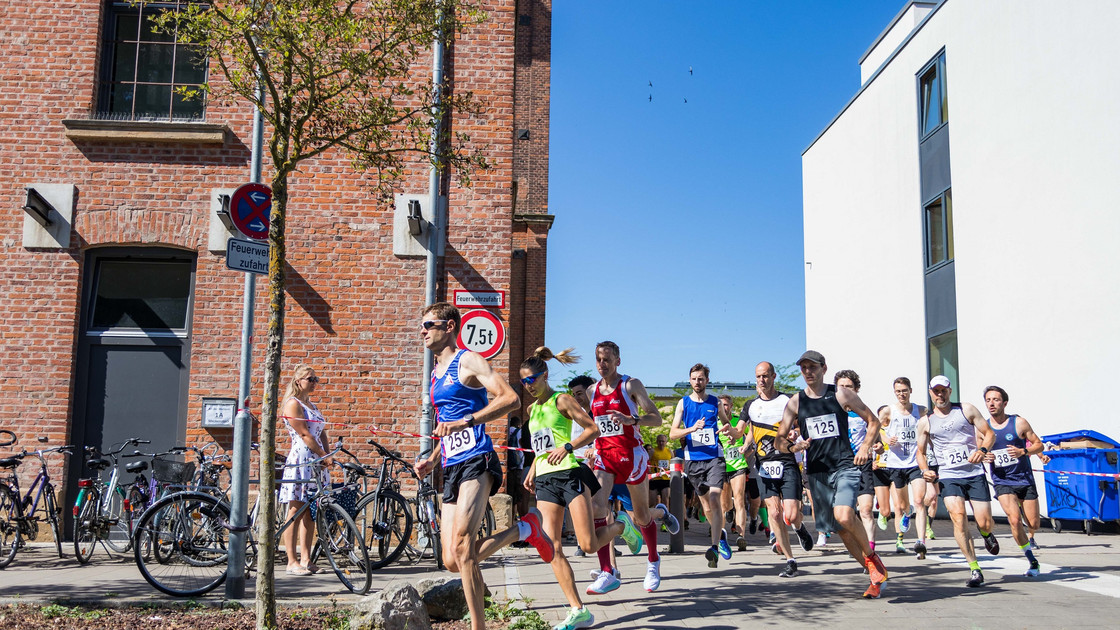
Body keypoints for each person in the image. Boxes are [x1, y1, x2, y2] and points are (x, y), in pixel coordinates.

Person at [414, 303, 552, 630]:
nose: (422, 330)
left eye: (429, 324)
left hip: (478, 457)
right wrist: (432, 458)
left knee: (463, 546)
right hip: (451, 464)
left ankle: (479, 627)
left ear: (449, 326)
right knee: (451, 559)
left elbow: (510, 398)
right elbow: (447, 426)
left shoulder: (468, 360)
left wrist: (467, 421)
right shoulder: (435, 373)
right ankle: (525, 529)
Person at [521, 347, 628, 630]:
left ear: (544, 376)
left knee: (588, 544)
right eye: (523, 383)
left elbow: (593, 428)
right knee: (551, 546)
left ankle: (621, 526)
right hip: (545, 480)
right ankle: (578, 609)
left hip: (569, 474)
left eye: (531, 380)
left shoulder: (562, 400)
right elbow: (540, 447)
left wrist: (567, 446)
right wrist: (532, 469)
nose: (528, 387)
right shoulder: (532, 410)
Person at [778, 351, 888, 599]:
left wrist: (864, 447)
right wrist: (794, 447)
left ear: (824, 368)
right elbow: (779, 440)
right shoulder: (795, 402)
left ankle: (872, 558)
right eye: (804, 367)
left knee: (845, 515)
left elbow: (873, 421)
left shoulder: (840, 394)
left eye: (812, 367)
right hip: (817, 472)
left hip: (845, 465)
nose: (808, 371)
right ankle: (874, 575)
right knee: (840, 529)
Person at [586, 341, 679, 595]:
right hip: (605, 456)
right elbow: (595, 426)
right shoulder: (592, 391)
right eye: (598, 359)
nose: (602, 364)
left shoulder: (630, 385)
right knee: (596, 507)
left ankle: (652, 561)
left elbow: (656, 417)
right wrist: (589, 445)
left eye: (607, 359)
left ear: (618, 360)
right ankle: (608, 571)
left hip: (631, 455)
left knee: (640, 516)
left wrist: (632, 419)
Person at [916, 375, 1000, 589]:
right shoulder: (925, 422)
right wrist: (925, 470)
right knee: (958, 517)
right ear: (930, 393)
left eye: (943, 390)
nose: (939, 394)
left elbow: (989, 434)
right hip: (949, 475)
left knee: (984, 522)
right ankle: (974, 568)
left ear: (950, 391)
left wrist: (982, 450)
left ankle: (986, 533)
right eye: (935, 391)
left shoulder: (966, 409)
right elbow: (920, 452)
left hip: (973, 473)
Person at [743, 361, 813, 578]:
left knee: (791, 515)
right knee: (774, 512)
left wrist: (795, 434)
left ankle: (799, 528)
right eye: (758, 377)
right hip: (764, 465)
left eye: (765, 376)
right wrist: (732, 432)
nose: (762, 380)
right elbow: (741, 431)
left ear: (773, 376)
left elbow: (802, 425)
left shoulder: (787, 400)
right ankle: (790, 560)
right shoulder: (751, 405)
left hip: (787, 461)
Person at [669, 364, 733, 568]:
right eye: (694, 378)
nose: (698, 382)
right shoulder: (683, 403)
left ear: (707, 381)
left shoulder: (715, 402)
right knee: (706, 506)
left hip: (714, 457)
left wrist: (725, 428)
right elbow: (673, 433)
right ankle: (720, 533)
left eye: (701, 378)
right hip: (693, 461)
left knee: (715, 499)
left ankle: (714, 547)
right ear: (690, 381)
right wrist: (692, 428)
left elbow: (726, 422)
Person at [983, 385, 1044, 577]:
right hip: (1003, 480)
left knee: (1033, 524)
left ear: (1005, 403)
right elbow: (979, 450)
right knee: (1014, 520)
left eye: (996, 399)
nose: (991, 403)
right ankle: (1032, 561)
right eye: (988, 400)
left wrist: (1023, 452)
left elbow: (1038, 444)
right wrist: (985, 456)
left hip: (1024, 478)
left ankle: (1028, 530)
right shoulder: (984, 428)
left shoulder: (1019, 423)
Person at [279, 365, 331, 576]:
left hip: (316, 460)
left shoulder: (312, 406)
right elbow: (305, 435)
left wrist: (327, 455)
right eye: (310, 379)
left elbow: (322, 432)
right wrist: (321, 454)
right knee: (295, 510)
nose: (314, 382)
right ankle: (291, 560)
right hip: (302, 459)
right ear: (298, 381)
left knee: (311, 512)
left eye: (316, 379)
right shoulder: (293, 404)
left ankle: (306, 559)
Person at [879, 377, 928, 558]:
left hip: (915, 462)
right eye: (898, 391)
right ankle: (901, 533)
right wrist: (885, 440)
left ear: (910, 390)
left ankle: (920, 542)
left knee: (919, 501)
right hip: (896, 464)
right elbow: (875, 427)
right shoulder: (888, 411)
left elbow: (932, 424)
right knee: (901, 505)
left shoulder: (921, 410)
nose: (902, 394)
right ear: (895, 392)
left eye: (904, 390)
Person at [833, 370, 879, 557]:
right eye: (841, 387)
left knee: (866, 509)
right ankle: (859, 547)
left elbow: (875, 428)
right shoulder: (833, 413)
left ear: (857, 390)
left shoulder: (861, 412)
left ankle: (870, 551)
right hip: (841, 466)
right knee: (846, 514)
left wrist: (871, 446)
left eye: (848, 387)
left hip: (862, 463)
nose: (844, 391)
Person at [717, 394, 752, 551]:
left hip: (738, 465)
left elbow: (751, 434)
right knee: (724, 505)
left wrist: (744, 449)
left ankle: (741, 536)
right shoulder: (715, 423)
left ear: (730, 406)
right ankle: (727, 517)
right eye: (721, 405)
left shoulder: (739, 420)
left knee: (739, 500)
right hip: (723, 466)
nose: (723, 408)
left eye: (726, 405)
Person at [508, 416, 527, 519]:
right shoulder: (519, 431)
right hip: (518, 464)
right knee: (519, 492)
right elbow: (521, 443)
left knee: (510, 491)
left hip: (510, 465)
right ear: (518, 424)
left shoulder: (507, 431)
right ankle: (520, 515)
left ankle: (511, 515)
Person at [649, 434, 673, 512]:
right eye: (659, 441)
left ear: (666, 442)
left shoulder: (669, 451)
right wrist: (649, 474)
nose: (661, 443)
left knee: (665, 500)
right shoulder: (652, 451)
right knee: (652, 501)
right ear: (657, 442)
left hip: (666, 479)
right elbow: (647, 463)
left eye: (663, 441)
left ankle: (666, 519)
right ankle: (650, 518)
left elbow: (673, 463)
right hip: (655, 479)